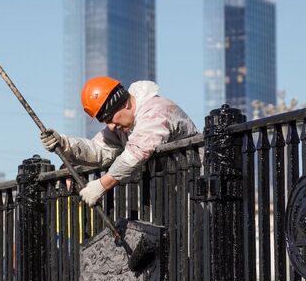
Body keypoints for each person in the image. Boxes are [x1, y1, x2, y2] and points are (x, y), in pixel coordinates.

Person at [41, 76, 198, 207]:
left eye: (111, 119)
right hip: (171, 194)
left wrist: (103, 184)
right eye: (105, 122)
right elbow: (98, 149)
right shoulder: (123, 127)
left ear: (125, 103)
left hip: (196, 188)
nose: (111, 126)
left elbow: (137, 151)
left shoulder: (155, 111)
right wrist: (63, 144)